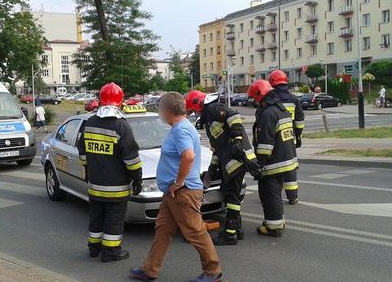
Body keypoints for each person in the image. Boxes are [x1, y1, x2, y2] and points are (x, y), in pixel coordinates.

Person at [131, 92, 222, 282]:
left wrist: (178, 182)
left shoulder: (181, 130)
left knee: (195, 232)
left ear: (167, 110)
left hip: (183, 192)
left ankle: (212, 271)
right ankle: (150, 269)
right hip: (173, 193)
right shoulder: (180, 127)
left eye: (159, 109)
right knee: (163, 230)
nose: (159, 112)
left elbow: (188, 156)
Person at [77, 82, 143, 263]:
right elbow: (131, 158)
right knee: (114, 219)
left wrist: (87, 169)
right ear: (120, 102)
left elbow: (81, 152)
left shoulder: (88, 123)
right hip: (116, 187)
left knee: (96, 217)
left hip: (94, 184)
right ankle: (111, 252)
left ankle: (94, 248)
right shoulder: (121, 126)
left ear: (100, 101)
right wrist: (137, 178)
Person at [184, 90, 257, 246]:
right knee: (230, 193)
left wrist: (237, 140)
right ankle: (237, 229)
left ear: (199, 104)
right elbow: (218, 149)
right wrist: (212, 169)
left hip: (237, 159)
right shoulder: (209, 122)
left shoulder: (213, 108)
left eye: (194, 110)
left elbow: (234, 116)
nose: (194, 113)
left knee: (232, 196)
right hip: (229, 162)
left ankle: (230, 234)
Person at [248, 80, 298, 237]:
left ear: (260, 95)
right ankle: (277, 221)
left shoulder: (268, 114)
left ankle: (273, 227)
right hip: (286, 159)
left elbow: (265, 144)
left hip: (273, 163)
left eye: (255, 99)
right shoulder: (281, 109)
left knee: (269, 194)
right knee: (275, 193)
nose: (255, 103)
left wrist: (259, 164)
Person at [268, 70, 304, 204]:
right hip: (289, 137)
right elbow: (299, 118)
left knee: (273, 167)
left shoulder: (270, 98)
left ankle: (272, 194)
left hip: (274, 139)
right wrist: (298, 135)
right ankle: (292, 196)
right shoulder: (293, 98)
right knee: (290, 166)